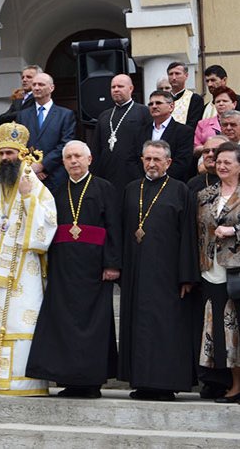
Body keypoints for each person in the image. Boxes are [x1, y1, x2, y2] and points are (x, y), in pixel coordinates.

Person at [26, 141, 121, 398]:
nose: (73, 161)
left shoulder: (104, 188)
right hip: (64, 268)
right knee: (65, 324)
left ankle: (91, 382)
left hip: (94, 269)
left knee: (94, 325)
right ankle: (69, 379)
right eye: (68, 157)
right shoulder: (57, 191)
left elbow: (114, 226)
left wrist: (112, 263)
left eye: (78, 156)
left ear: (89, 159)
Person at [0, 124, 57, 396]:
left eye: (10, 153)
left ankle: (21, 382)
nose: (6, 158)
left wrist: (28, 197)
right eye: (2, 153)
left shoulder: (35, 185)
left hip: (24, 270)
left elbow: (49, 223)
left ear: (22, 154)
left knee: (21, 321)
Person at [119, 140, 199, 401]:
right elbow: (124, 231)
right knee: (139, 327)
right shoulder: (132, 189)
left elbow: (188, 234)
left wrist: (187, 275)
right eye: (147, 159)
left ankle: (165, 384)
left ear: (168, 162)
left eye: (157, 159)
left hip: (168, 272)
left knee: (166, 327)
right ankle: (141, 382)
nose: (151, 164)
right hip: (137, 269)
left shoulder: (180, 190)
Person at [195, 142, 240, 401]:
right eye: (219, 162)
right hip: (210, 269)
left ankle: (237, 386)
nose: (221, 166)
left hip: (236, 271)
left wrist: (235, 230)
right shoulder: (206, 194)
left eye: (227, 162)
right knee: (221, 330)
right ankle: (222, 381)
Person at [16, 72, 76, 193]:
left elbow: (65, 144)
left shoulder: (65, 115)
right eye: (34, 85)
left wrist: (43, 165)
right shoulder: (23, 115)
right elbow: (19, 144)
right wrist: (31, 167)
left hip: (55, 176)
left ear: (51, 88)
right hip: (29, 176)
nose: (36, 88)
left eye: (41, 84)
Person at [90, 74, 149, 193]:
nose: (116, 89)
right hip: (107, 176)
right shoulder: (104, 116)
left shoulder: (143, 112)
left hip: (134, 175)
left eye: (120, 86)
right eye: (113, 87)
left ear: (131, 88)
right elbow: (96, 149)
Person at [133, 90, 194, 182]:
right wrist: (146, 179)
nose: (154, 106)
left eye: (158, 103)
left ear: (171, 107)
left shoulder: (184, 131)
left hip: (172, 183)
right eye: (151, 104)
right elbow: (134, 159)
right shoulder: (140, 131)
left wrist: (161, 180)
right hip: (144, 183)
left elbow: (182, 162)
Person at [195, 87, 238, 153]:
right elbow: (195, 148)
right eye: (218, 101)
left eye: (225, 101)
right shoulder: (202, 124)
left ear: (234, 104)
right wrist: (212, 147)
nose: (221, 104)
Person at [167, 61, 205, 129]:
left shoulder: (195, 99)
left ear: (186, 76)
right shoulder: (163, 99)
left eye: (177, 73)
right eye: (171, 74)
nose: (174, 77)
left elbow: (193, 125)